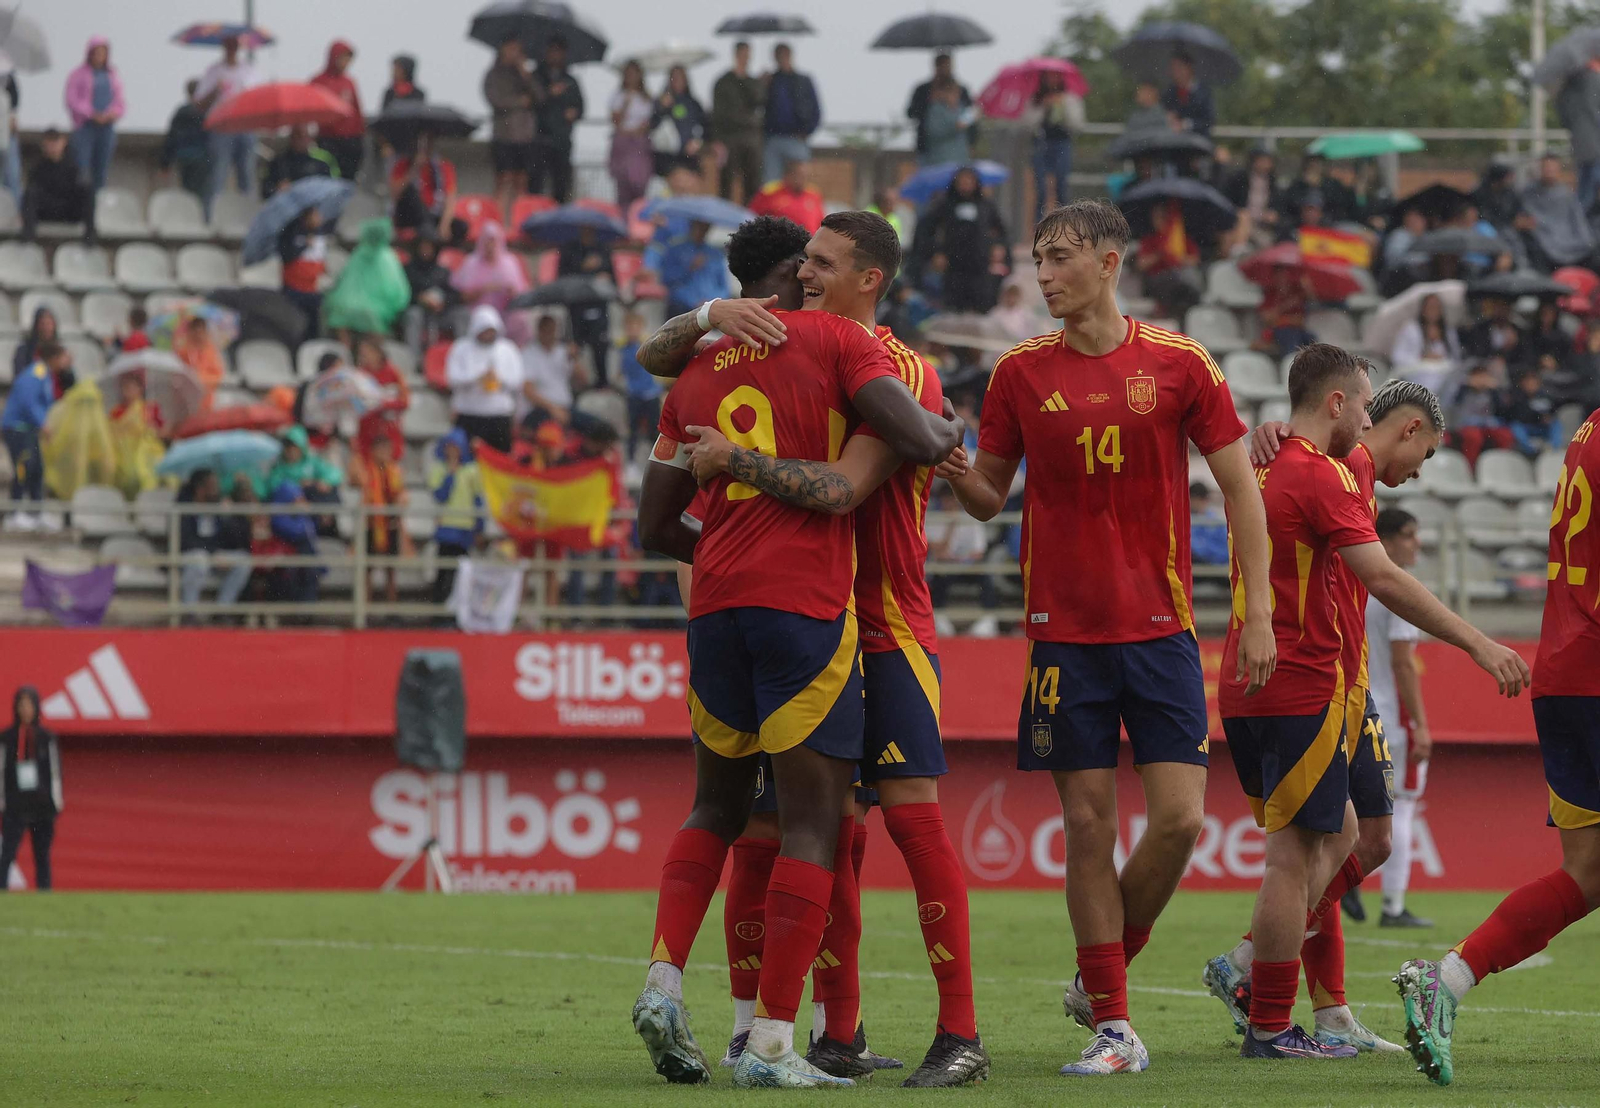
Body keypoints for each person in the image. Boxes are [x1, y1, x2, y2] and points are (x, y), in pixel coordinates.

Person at [630, 208, 964, 1089]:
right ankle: (781, 1041)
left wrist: (729, 543)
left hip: (718, 607)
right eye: (805, 264)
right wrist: (952, 439)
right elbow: (881, 470)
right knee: (825, 828)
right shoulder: (842, 348)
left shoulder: (691, 371)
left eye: (826, 262)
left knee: (730, 814)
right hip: (826, 610)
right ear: (785, 282)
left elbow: (652, 524)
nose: (811, 277)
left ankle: (698, 995)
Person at [942, 199, 1276, 1076]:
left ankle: (1102, 977)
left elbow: (1242, 492)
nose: (1043, 274)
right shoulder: (1016, 374)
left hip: (1162, 630)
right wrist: (944, 461)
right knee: (1087, 825)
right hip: (1061, 636)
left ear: (1110, 261)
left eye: (1059, 258)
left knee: (1180, 821)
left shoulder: (1180, 365)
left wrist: (1261, 612)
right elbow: (987, 496)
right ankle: (1117, 1027)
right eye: (1038, 258)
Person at [1217, 345, 1525, 1061]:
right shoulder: (1320, 472)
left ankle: (1277, 989)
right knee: (1297, 859)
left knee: (1349, 837)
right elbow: (1382, 577)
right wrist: (1479, 644)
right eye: (1361, 400)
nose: (1367, 410)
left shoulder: (1272, 462)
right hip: (1304, 681)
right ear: (1339, 406)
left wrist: (1270, 428)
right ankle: (1268, 1018)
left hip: (1276, 680)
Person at [1206, 378, 1451, 1052]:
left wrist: (1270, 434)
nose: (1418, 472)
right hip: (1318, 681)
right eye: (1423, 455)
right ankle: (1297, 1002)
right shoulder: (1327, 467)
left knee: (1365, 838)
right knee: (1315, 843)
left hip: (1346, 680)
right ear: (1406, 430)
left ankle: (1266, 971)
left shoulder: (1352, 466)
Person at [1395, 400, 1600, 1088]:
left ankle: (1444, 981)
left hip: (1568, 667)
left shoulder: (1588, 429)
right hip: (1596, 670)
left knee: (1588, 872)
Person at [1365, 507, 1433, 928]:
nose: (1416, 543)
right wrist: (1422, 723)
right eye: (1408, 535)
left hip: (1355, 707)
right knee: (1403, 806)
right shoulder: (1397, 588)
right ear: (1385, 540)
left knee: (1349, 806)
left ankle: (1341, 890)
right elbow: (1404, 663)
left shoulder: (1357, 582)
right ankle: (1392, 905)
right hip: (1391, 714)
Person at [911, 167, 1008, 314]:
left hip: (979, 265)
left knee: (982, 305)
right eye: (962, 180)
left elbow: (1001, 231)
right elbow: (925, 229)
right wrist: (936, 252)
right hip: (954, 265)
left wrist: (998, 246)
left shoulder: (986, 205)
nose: (966, 184)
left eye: (969, 180)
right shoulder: (945, 205)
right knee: (954, 307)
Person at [0, 688, 62, 891]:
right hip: (15, 806)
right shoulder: (6, 739)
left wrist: (56, 802)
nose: (25, 709)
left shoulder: (46, 737)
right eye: (22, 705)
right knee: (7, 853)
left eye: (29, 705)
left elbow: (54, 772)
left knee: (42, 855)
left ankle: (44, 896)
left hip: (41, 806)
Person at [195, 34, 259, 217]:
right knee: (218, 176)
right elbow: (199, 104)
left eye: (235, 45)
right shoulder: (214, 71)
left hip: (245, 128)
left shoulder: (249, 72)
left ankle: (248, 217)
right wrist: (216, 90)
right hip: (221, 128)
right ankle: (212, 217)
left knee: (247, 177)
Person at [1, 339, 60, 532]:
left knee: (37, 469)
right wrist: (42, 423)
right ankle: (14, 512)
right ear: (54, 357)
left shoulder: (46, 375)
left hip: (29, 429)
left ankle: (37, 511)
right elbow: (27, 400)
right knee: (23, 467)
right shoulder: (38, 371)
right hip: (17, 428)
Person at [447, 305, 522, 452]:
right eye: (484, 330)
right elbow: (452, 379)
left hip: (499, 416)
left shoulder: (508, 349)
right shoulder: (461, 348)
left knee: (499, 461)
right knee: (468, 460)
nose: (488, 334)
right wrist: (476, 378)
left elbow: (517, 380)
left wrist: (500, 379)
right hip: (469, 415)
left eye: (491, 330)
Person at [178, 468, 252, 611]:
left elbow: (236, 540)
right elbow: (186, 541)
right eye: (212, 486)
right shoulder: (184, 508)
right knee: (199, 560)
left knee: (244, 561)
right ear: (200, 489)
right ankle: (189, 612)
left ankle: (222, 609)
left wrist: (230, 516)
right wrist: (211, 553)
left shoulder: (218, 507)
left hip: (214, 555)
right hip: (191, 555)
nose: (217, 490)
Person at [323, 219, 410, 337]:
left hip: (374, 307)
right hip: (353, 303)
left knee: (369, 315)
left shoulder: (386, 257)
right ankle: (347, 351)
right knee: (341, 310)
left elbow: (395, 292)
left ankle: (373, 352)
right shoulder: (361, 253)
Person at [451, 220, 531, 344]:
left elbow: (521, 294)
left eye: (493, 240)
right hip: (477, 314)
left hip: (504, 313)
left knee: (520, 318)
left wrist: (510, 291)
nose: (490, 245)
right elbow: (461, 296)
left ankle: (515, 355)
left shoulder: (510, 262)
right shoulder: (471, 263)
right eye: (487, 240)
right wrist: (484, 290)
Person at [483, 36, 535, 224]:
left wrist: (526, 75)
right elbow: (495, 100)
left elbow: (539, 97)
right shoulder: (493, 75)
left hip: (525, 136)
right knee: (503, 179)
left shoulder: (525, 74)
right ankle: (498, 221)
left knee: (521, 181)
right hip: (503, 135)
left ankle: (519, 222)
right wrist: (518, 102)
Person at [429, 428, 484, 605]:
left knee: (462, 574)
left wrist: (479, 526)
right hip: (446, 527)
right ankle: (438, 612)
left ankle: (457, 612)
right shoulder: (439, 468)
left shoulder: (472, 470)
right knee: (443, 571)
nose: (453, 451)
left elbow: (477, 499)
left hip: (465, 528)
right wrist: (451, 475)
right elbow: (440, 496)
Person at [64, 36, 125, 193]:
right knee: (82, 169)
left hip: (106, 127)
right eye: (96, 52)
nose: (99, 56)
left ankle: (98, 203)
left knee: (101, 170)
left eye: (103, 53)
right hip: (86, 126)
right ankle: (81, 203)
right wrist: (91, 113)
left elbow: (119, 101)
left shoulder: (111, 75)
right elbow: (72, 100)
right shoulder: (78, 74)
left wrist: (112, 113)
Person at [557, 226, 617, 385]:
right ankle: (575, 383)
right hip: (577, 305)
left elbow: (613, 280)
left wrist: (605, 278)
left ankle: (602, 382)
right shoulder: (569, 249)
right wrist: (583, 268)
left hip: (598, 304)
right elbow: (562, 278)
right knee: (575, 345)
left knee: (600, 344)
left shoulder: (603, 249)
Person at [354, 432, 407, 605]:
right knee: (367, 569)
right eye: (381, 449)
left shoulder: (394, 471)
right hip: (372, 524)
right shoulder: (366, 470)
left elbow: (400, 494)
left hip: (390, 524)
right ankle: (364, 609)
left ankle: (392, 610)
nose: (384, 453)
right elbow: (360, 488)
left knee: (390, 569)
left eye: (387, 449)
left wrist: (400, 500)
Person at [1521, 154, 1598, 271]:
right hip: (1544, 243)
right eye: (1546, 168)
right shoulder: (1529, 193)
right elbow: (1530, 218)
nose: (1549, 171)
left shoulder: (1566, 194)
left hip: (1571, 241)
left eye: (1552, 168)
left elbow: (1578, 220)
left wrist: (1587, 241)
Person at [531, 36, 584, 202]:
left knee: (561, 184)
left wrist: (574, 113)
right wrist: (549, 94)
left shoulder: (571, 81)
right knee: (535, 185)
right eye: (552, 50)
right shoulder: (535, 77)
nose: (555, 55)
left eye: (559, 51)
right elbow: (531, 103)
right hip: (539, 138)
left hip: (562, 139)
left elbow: (581, 108)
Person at [711, 41, 764, 202]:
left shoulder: (753, 82)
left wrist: (760, 82)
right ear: (736, 55)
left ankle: (752, 220)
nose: (745, 58)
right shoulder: (723, 82)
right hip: (730, 137)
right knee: (727, 182)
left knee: (753, 183)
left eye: (748, 55)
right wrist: (717, 140)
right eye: (742, 54)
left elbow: (760, 101)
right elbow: (717, 114)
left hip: (750, 138)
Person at [21, 128, 95, 244]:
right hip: (46, 212)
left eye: (55, 142)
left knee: (87, 189)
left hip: (68, 212)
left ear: (63, 142)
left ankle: (90, 236)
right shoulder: (37, 168)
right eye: (49, 143)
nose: (52, 146)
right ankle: (28, 238)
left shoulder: (73, 166)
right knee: (31, 192)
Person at [762, 43, 821, 185]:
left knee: (799, 181)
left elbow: (816, 109)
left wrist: (807, 131)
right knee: (772, 183)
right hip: (773, 138)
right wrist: (762, 85)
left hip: (797, 138)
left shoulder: (803, 80)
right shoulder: (771, 80)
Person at [1027, 70, 1081, 224]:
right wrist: (1043, 107)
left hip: (1062, 142)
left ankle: (1065, 222)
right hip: (1041, 144)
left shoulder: (1069, 98)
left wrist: (1063, 106)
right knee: (1041, 189)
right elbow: (1027, 124)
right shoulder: (1036, 98)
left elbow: (1077, 124)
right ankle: (1039, 225)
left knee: (1062, 184)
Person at [309, 40, 364, 181]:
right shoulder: (318, 81)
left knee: (347, 179)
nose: (346, 62)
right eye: (343, 58)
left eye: (348, 59)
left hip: (350, 140)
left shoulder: (349, 82)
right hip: (327, 139)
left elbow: (356, 111)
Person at [389, 129, 457, 239]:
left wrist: (445, 225)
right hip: (411, 216)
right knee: (411, 192)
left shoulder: (442, 166)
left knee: (460, 227)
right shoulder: (403, 165)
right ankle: (428, 232)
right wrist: (414, 168)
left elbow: (450, 198)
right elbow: (395, 195)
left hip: (434, 213)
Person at [1391, 292, 1462, 394]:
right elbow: (1397, 356)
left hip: (1444, 376)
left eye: (1437, 307)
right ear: (1423, 309)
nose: (1433, 311)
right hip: (1418, 376)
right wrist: (1422, 358)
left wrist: (1440, 359)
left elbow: (1456, 357)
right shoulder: (1411, 329)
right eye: (1430, 307)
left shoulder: (1447, 331)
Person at [659, 219, 730, 320]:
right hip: (682, 308)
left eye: (705, 228)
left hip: (711, 309)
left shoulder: (715, 254)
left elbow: (724, 287)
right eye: (698, 227)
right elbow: (667, 279)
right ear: (692, 226)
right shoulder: (676, 250)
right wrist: (689, 268)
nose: (701, 231)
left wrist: (710, 302)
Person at [354, 333, 409, 462]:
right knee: (369, 470)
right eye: (362, 354)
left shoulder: (393, 373)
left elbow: (405, 401)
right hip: (367, 428)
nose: (364, 357)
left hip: (388, 428)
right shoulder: (360, 374)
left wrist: (382, 404)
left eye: (366, 353)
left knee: (389, 469)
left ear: (377, 353)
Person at [907, 54, 971, 164]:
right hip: (931, 152)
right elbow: (912, 113)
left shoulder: (961, 92)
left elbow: (971, 114)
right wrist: (929, 101)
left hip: (959, 154)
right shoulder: (924, 91)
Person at [609, 60, 655, 213]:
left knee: (639, 183)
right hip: (623, 144)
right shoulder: (618, 96)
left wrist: (637, 131)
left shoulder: (646, 98)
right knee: (623, 186)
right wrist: (625, 105)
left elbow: (649, 123)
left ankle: (637, 217)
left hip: (640, 145)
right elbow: (615, 121)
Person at [278, 206, 329, 340]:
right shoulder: (290, 232)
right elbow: (286, 256)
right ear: (307, 216)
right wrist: (304, 245)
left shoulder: (320, 234)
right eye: (316, 215)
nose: (320, 219)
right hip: (294, 289)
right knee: (295, 326)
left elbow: (321, 258)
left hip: (313, 289)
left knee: (313, 327)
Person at [402, 226, 458, 348]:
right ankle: (413, 361)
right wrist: (420, 299)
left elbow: (454, 294)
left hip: (440, 313)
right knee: (413, 315)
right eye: (423, 246)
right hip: (418, 312)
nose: (426, 250)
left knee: (463, 315)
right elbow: (402, 295)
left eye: (429, 247)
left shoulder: (443, 271)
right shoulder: (408, 270)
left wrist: (443, 303)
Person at [1557, 57, 1600, 212]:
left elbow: (1565, 117)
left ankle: (1580, 217)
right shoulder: (1593, 80)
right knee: (1590, 184)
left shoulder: (1568, 89)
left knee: (1585, 185)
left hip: (1583, 144)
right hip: (1593, 144)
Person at [617, 309, 660, 456]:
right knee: (632, 429)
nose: (632, 331)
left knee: (654, 429)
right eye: (629, 328)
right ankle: (631, 460)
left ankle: (654, 457)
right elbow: (623, 369)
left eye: (635, 327)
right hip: (634, 393)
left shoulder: (648, 345)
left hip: (650, 393)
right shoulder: (624, 348)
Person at [652, 65, 708, 178]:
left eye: (680, 77)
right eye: (674, 77)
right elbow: (652, 126)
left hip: (688, 157)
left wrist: (698, 142)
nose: (677, 81)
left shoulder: (693, 103)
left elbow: (707, 127)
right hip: (666, 158)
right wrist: (662, 109)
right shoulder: (661, 102)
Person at [160, 79, 211, 200]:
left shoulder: (181, 111)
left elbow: (172, 138)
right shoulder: (205, 113)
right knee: (201, 194)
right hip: (202, 157)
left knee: (187, 192)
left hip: (184, 156)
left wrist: (165, 163)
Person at [522, 314, 577, 421]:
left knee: (600, 428)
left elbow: (583, 380)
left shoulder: (563, 351)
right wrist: (552, 408)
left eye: (552, 330)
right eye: (546, 330)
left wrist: (574, 358)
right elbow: (528, 390)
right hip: (542, 409)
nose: (549, 334)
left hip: (566, 406)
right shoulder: (529, 353)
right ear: (539, 330)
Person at [1223, 147, 1282, 248]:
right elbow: (1228, 201)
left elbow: (1278, 206)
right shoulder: (1240, 178)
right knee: (1244, 218)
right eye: (1262, 161)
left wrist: (1272, 214)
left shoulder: (1272, 182)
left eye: (1268, 161)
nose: (1265, 165)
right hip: (1240, 221)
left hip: (1262, 224)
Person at [747, 157, 824, 233]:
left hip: (810, 242)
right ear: (787, 175)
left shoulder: (813, 195)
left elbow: (821, 225)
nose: (803, 180)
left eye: (805, 176)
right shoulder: (770, 193)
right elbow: (750, 217)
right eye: (799, 176)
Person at [260, 124, 336, 199]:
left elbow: (328, 192)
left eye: (301, 136)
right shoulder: (278, 163)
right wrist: (277, 189)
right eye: (294, 136)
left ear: (310, 139)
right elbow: (266, 190)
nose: (297, 140)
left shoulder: (319, 165)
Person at [1501, 367, 1556, 456]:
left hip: (1542, 427)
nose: (1531, 385)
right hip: (1526, 426)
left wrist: (1546, 417)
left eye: (1533, 382)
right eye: (1528, 382)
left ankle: (1554, 449)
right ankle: (1530, 449)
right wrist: (1537, 415)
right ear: (1523, 384)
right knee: (1515, 426)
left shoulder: (1545, 396)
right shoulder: (1517, 397)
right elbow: (1517, 415)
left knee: (1556, 424)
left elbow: (1552, 411)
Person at [918, 80, 973, 167]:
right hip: (940, 160)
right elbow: (933, 132)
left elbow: (969, 134)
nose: (954, 96)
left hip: (961, 160)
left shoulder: (963, 110)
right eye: (950, 93)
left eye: (956, 93)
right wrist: (955, 127)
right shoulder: (935, 110)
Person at [173, 316, 225, 408]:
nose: (198, 334)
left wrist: (199, 379)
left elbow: (218, 377)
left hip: (205, 402)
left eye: (200, 330)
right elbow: (175, 372)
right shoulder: (184, 351)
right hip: (185, 402)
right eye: (195, 329)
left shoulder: (211, 352)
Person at [1160, 52, 1214, 136]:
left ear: (1189, 68)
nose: (1175, 72)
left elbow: (1208, 121)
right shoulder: (1170, 91)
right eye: (1173, 68)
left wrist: (1185, 125)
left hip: (1197, 141)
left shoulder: (1203, 92)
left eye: (1179, 67)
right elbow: (1163, 111)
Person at [14, 307, 57, 384]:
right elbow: (21, 377)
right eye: (43, 324)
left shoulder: (59, 352)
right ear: (36, 326)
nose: (46, 328)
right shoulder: (25, 351)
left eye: (49, 324)